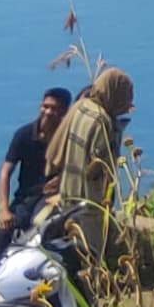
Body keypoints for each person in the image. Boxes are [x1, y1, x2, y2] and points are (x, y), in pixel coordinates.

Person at [47, 66, 134, 280]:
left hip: (70, 193)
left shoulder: (82, 106)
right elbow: (98, 166)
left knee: (72, 251)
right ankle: (90, 296)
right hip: (90, 202)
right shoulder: (102, 121)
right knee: (90, 254)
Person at [0, 85, 69, 235]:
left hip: (55, 198)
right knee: (1, 236)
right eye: (45, 106)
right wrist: (3, 209)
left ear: (64, 112)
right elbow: (6, 171)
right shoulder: (24, 134)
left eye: (54, 108)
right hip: (26, 198)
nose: (48, 112)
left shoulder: (68, 139)